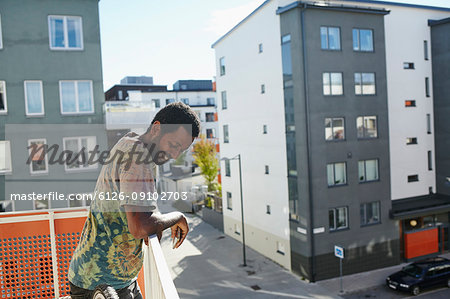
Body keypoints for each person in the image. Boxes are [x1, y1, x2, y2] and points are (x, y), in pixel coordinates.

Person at [68, 102, 201, 298]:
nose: (174, 154)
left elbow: (142, 213)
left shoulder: (130, 142)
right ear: (156, 129)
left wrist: (153, 221)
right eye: (173, 145)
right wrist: (178, 217)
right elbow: (140, 227)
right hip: (100, 284)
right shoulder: (138, 157)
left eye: (180, 150)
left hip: (109, 278)